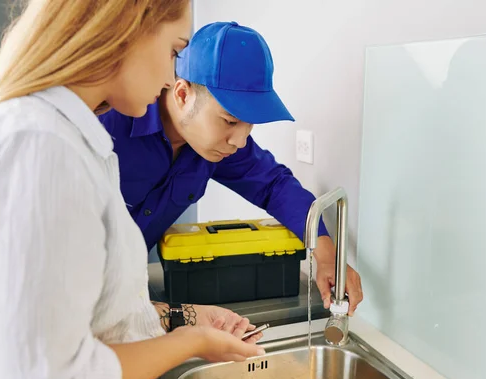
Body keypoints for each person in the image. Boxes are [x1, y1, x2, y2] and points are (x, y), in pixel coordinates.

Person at [0, 1, 265, 379]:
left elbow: (96, 314)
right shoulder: (41, 146)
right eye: (174, 51)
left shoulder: (72, 140)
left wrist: (187, 320)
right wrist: (190, 343)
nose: (169, 76)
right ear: (128, 30)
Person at [99, 21, 364, 315]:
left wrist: (326, 254)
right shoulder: (108, 123)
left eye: (249, 124)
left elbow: (273, 185)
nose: (239, 141)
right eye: (229, 121)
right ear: (183, 94)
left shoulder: (216, 147)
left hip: (126, 294)